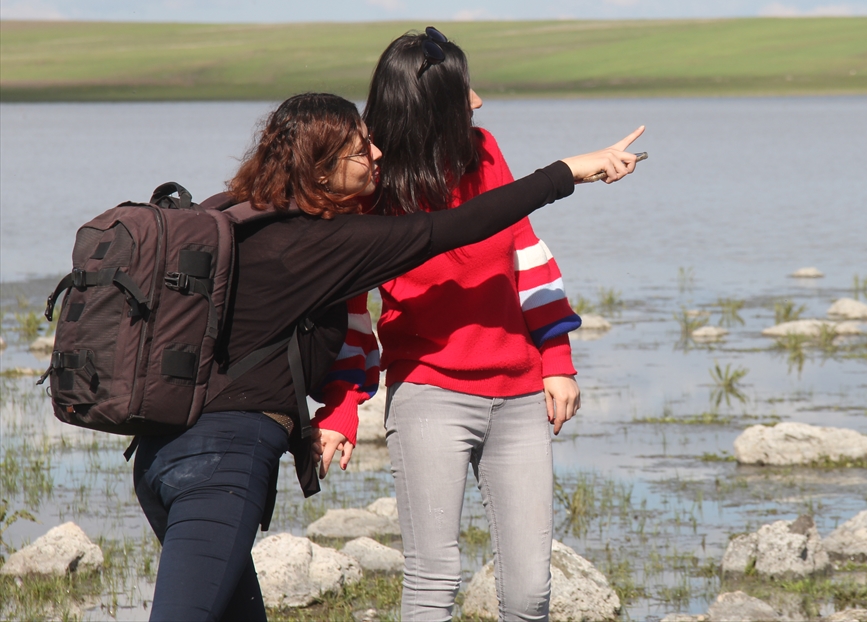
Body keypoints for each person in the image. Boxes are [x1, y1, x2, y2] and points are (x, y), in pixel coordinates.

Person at [130, 91, 643, 622]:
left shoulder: (231, 214)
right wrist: (568, 171)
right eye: (361, 149)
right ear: (321, 172)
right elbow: (459, 226)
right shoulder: (333, 241)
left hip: (162, 449)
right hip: (224, 461)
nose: (375, 153)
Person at [315, 28, 588, 621]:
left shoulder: (485, 150)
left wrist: (558, 359)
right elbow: (352, 310)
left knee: (530, 591)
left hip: (520, 397)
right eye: (464, 91)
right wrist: (341, 406)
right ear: (427, 106)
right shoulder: (371, 187)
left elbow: (526, 251)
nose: (479, 101)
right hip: (429, 395)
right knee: (433, 581)